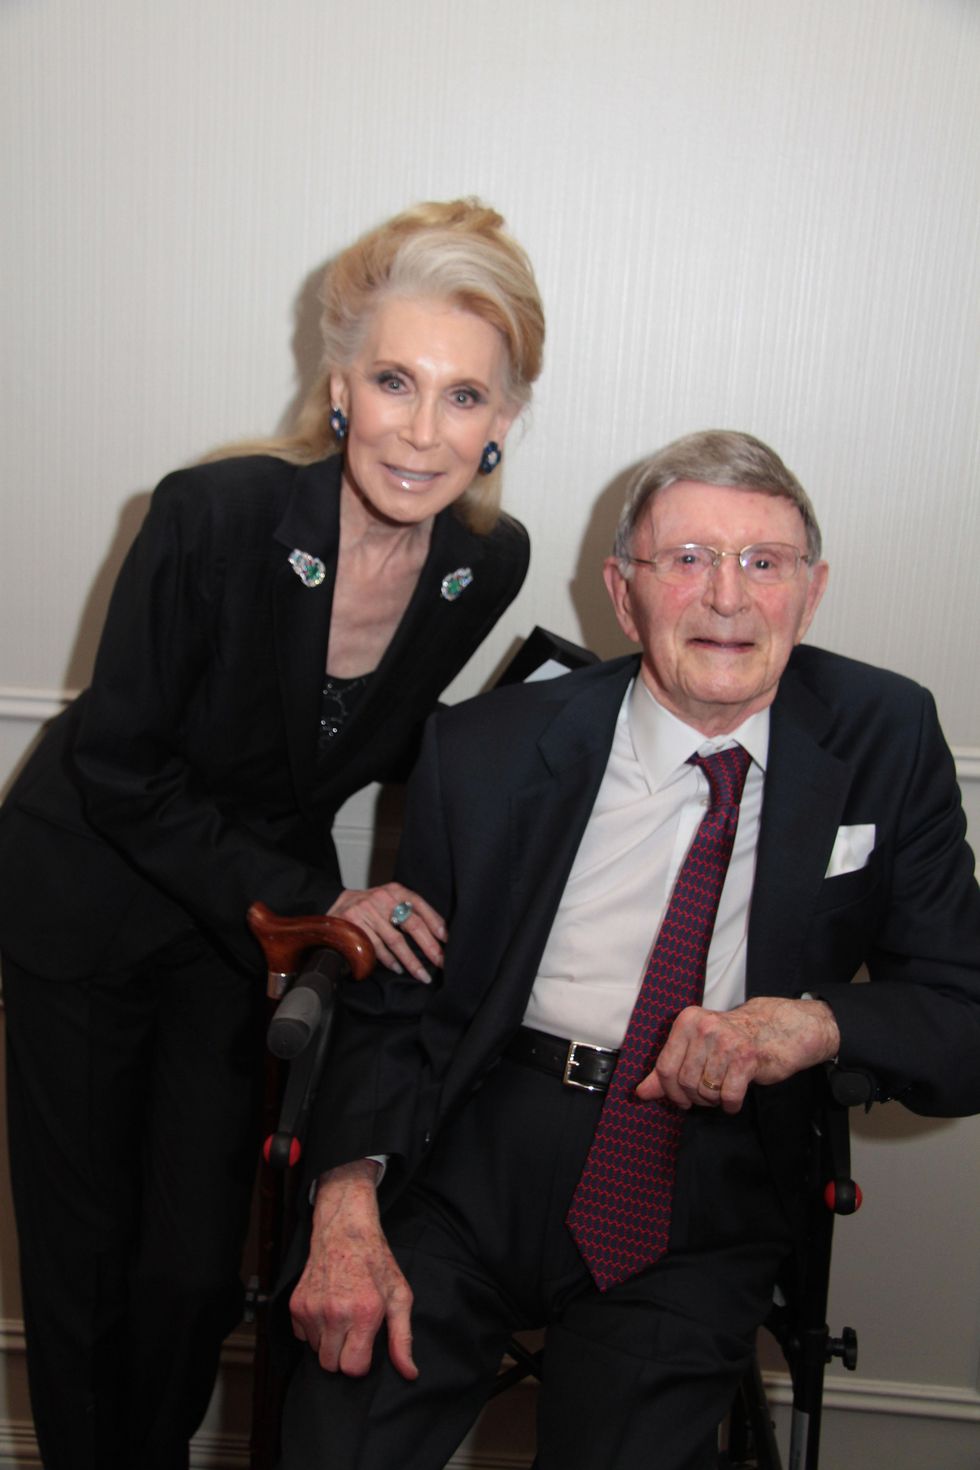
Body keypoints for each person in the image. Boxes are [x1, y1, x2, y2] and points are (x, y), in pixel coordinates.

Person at [278, 429, 980, 1470]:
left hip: (702, 1177)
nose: (726, 600)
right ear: (622, 590)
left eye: (762, 563)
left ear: (812, 590)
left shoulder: (883, 732)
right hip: (475, 1144)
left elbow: (960, 1014)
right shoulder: (486, 746)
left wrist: (810, 1022)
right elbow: (394, 1003)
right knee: (345, 1439)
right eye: (686, 559)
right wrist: (344, 1200)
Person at [0, 197, 545, 1470]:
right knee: (84, 1267)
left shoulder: (487, 564)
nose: (423, 430)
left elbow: (366, 744)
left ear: (504, 420)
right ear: (339, 385)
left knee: (193, 1273)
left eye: (464, 397)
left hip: (234, 929)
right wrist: (317, 900)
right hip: (87, 896)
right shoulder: (214, 515)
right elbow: (124, 767)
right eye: (396, 382)